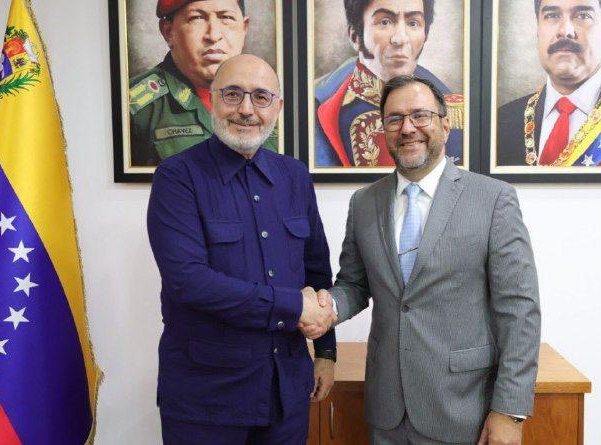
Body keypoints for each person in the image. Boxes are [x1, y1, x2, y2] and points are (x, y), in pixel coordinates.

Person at [308, 76, 541, 444]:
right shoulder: (364, 202)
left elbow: (520, 309)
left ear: (445, 126)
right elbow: (354, 284)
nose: (407, 128)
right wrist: (328, 307)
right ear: (383, 130)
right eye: (395, 119)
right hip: (387, 410)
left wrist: (510, 410)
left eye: (420, 115)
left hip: (464, 409)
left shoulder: (493, 199)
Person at [147, 54, 337, 444]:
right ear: (212, 101)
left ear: (277, 108)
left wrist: (325, 351)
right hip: (207, 398)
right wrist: (291, 305)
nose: (247, 110)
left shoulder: (294, 176)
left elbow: (316, 270)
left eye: (261, 97)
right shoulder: (177, 177)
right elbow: (188, 281)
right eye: (233, 95)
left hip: (286, 391)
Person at [314, 0, 464, 168]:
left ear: (425, 35)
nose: (401, 39)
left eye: (413, 23)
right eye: (385, 22)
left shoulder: (453, 109)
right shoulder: (319, 104)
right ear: (355, 35)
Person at [496, 0, 601, 167]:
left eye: (583, 16)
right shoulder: (501, 122)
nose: (565, 31)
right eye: (552, 15)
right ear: (538, 31)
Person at [129, 0, 278, 167]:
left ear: (244, 29)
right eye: (197, 18)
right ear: (168, 32)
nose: (213, 35)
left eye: (226, 17)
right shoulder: (133, 108)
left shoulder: (273, 101)